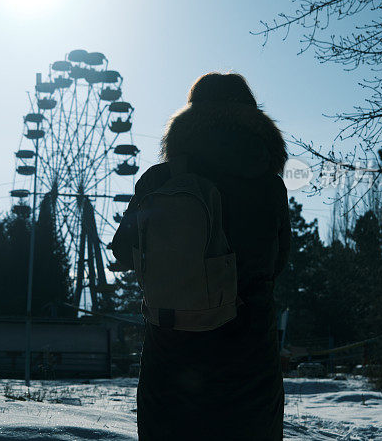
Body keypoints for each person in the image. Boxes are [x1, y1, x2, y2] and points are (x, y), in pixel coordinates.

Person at [110, 72, 291, 440]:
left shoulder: (158, 181)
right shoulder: (269, 187)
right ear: (253, 120)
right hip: (249, 362)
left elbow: (122, 253)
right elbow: (278, 262)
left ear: (188, 119)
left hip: (171, 359)